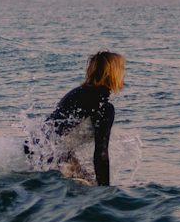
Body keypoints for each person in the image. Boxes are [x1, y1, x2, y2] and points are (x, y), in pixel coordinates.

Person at [41, 50, 124, 186]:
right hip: (51, 156)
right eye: (122, 69)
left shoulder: (77, 93)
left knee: (87, 179)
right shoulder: (103, 107)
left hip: (38, 150)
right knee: (91, 186)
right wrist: (106, 192)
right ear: (112, 74)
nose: (123, 74)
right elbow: (101, 153)